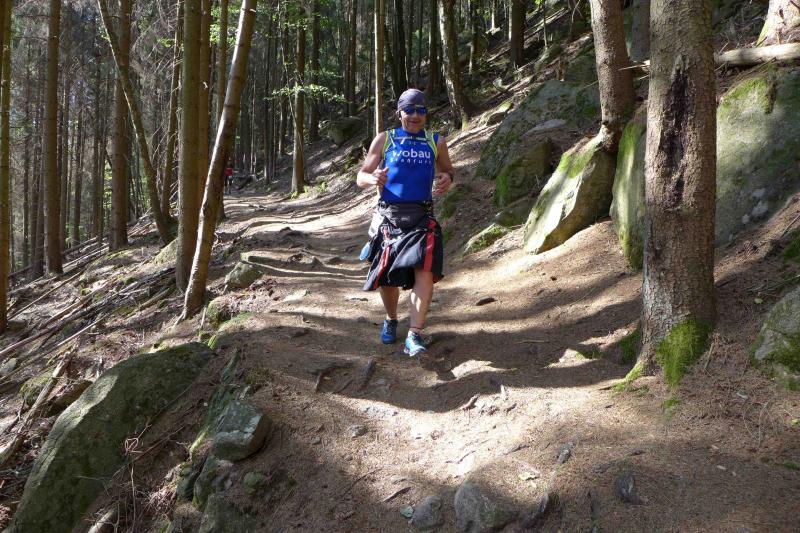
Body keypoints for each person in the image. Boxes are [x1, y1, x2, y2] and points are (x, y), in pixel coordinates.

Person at [356, 88, 455, 356]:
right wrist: (373, 178)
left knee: (425, 272)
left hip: (422, 215)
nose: (415, 115)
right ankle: (391, 319)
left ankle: (415, 333)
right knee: (387, 277)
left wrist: (447, 178)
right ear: (399, 112)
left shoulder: (435, 141)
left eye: (420, 110)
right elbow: (361, 176)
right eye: (409, 110)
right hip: (390, 215)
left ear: (426, 114)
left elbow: (448, 170)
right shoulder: (385, 139)